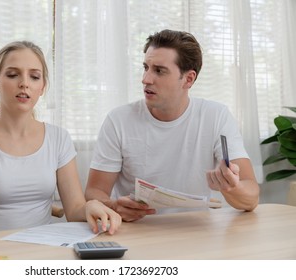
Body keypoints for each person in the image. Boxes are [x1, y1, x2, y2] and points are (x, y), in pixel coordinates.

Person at [0, 41, 121, 234]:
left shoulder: (58, 138)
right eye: (13, 75)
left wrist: (90, 206)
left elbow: (74, 210)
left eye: (34, 77)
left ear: (42, 87)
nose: (24, 83)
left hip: (41, 249)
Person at [85, 29, 260, 222]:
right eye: (146, 67)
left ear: (188, 79)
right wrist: (114, 206)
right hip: (139, 231)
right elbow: (95, 192)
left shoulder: (216, 116)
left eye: (159, 71)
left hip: (199, 233)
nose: (146, 79)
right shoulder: (118, 120)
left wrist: (232, 187)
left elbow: (251, 198)